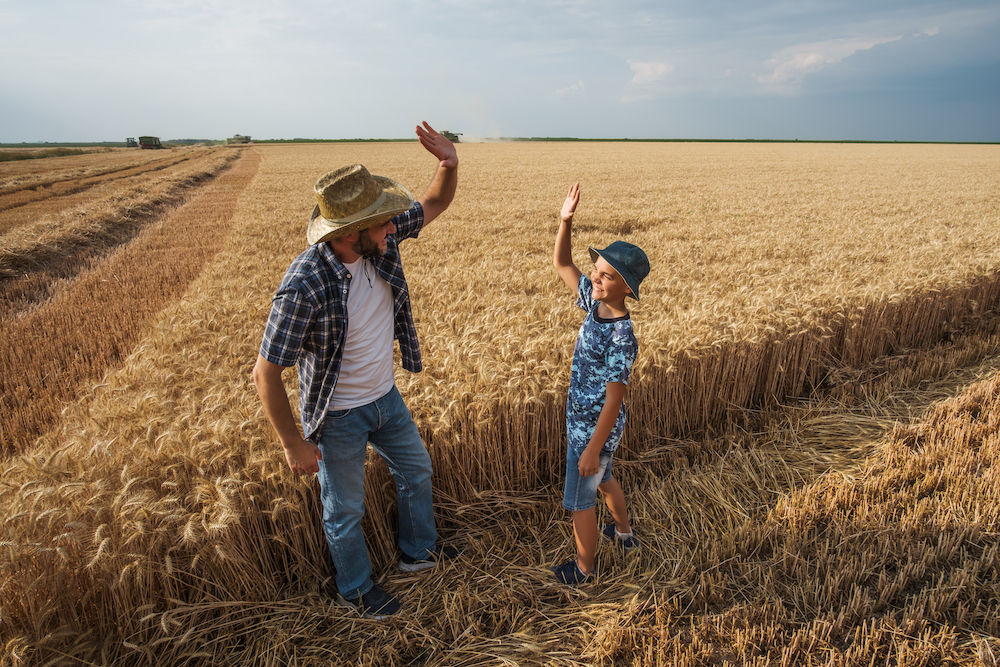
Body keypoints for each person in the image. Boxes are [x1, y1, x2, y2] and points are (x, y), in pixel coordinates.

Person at [252, 121, 459, 619]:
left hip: (385, 398)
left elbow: (433, 204)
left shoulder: (377, 243)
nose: (395, 227)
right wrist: (292, 443)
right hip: (338, 415)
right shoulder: (304, 287)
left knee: (415, 470)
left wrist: (449, 164)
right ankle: (356, 589)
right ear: (350, 233)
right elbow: (266, 373)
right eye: (384, 222)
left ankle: (417, 554)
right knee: (345, 511)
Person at [551, 182, 649, 585]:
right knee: (605, 479)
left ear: (627, 288)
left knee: (581, 501)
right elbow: (561, 265)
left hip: (592, 430)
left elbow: (614, 399)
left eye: (607, 276)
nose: (595, 277)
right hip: (588, 428)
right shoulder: (593, 303)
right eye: (596, 270)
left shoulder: (622, 338)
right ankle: (624, 533)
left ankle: (585, 570)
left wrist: (592, 447)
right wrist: (565, 221)